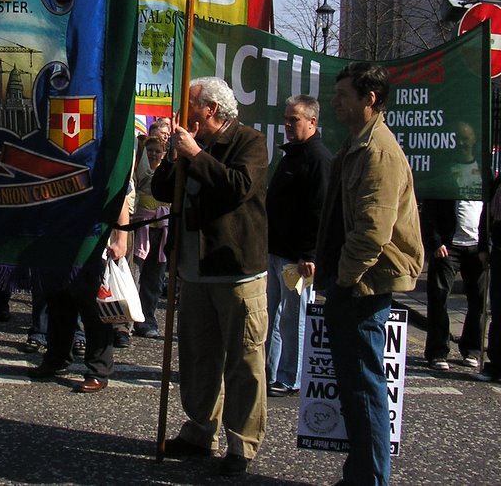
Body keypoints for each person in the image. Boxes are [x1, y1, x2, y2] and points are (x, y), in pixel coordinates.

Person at [152, 76, 269, 477]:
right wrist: (174, 155)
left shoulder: (249, 142)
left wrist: (197, 154)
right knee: (199, 358)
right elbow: (163, 190)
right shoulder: (189, 144)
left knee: (243, 362)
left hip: (235, 271)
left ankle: (242, 445)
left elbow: (239, 187)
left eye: (190, 106)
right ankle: (201, 432)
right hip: (193, 269)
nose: (182, 114)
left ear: (211, 110)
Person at [316, 62, 423, 486]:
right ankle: (361, 474)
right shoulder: (359, 142)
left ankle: (370, 479)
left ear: (370, 99)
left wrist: (344, 279)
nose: (335, 102)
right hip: (353, 282)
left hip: (363, 285)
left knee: (364, 387)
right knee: (356, 386)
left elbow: (372, 232)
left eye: (343, 95)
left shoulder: (378, 151)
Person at [265, 95, 332, 397]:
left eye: (294, 120)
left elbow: (320, 210)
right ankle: (270, 370)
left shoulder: (318, 159)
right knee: (274, 315)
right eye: (286, 119)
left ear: (312, 122)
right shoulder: (292, 155)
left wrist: (310, 254)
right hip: (277, 250)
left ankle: (291, 377)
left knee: (294, 317)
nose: (288, 125)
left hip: (297, 257)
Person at [28, 199, 129, 393]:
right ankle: (56, 359)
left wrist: (121, 239)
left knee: (94, 312)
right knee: (58, 304)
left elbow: (120, 197)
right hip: (57, 240)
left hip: (92, 243)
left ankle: (98, 371)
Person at [420, 122, 486, 371]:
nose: (462, 143)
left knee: (478, 301)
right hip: (449, 246)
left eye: (466, 139)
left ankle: (472, 349)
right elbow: (429, 210)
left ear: (474, 141)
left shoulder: (484, 173)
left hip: (477, 246)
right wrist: (435, 242)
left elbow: (490, 210)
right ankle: (438, 352)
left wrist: (486, 244)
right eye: (458, 138)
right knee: (439, 298)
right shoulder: (444, 171)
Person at [131, 135, 169, 338]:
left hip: (161, 232)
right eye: (150, 150)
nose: (154, 154)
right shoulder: (139, 171)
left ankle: (148, 320)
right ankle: (129, 320)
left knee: (154, 280)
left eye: (157, 151)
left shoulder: (167, 173)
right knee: (135, 276)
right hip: (140, 229)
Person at [479, 175, 501, 383]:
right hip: (499, 253)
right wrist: (483, 247)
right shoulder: (498, 181)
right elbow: (486, 215)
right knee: (498, 312)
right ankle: (495, 365)